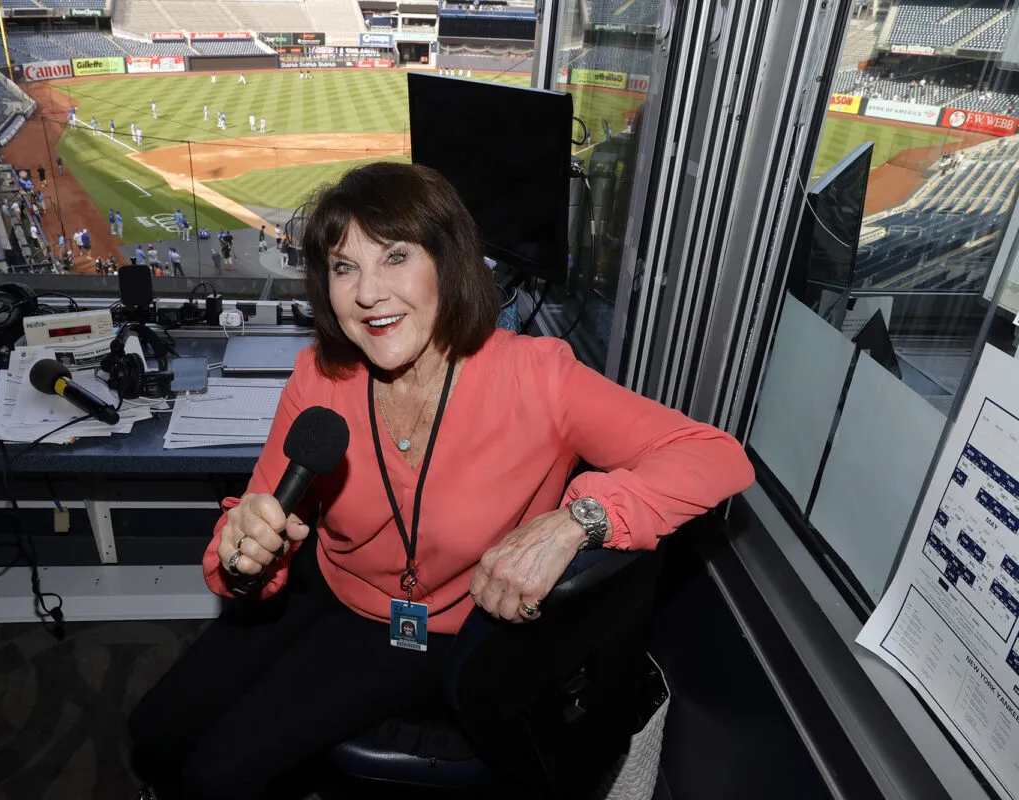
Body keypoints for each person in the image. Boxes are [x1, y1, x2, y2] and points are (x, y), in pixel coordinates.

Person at [127, 162, 754, 798]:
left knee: (217, 775)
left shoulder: (539, 378)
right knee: (152, 733)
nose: (367, 293)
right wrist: (246, 555)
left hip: (433, 634)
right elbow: (258, 523)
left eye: (395, 256)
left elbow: (714, 455)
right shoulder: (319, 376)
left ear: (446, 264)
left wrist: (576, 521)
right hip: (330, 589)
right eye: (345, 267)